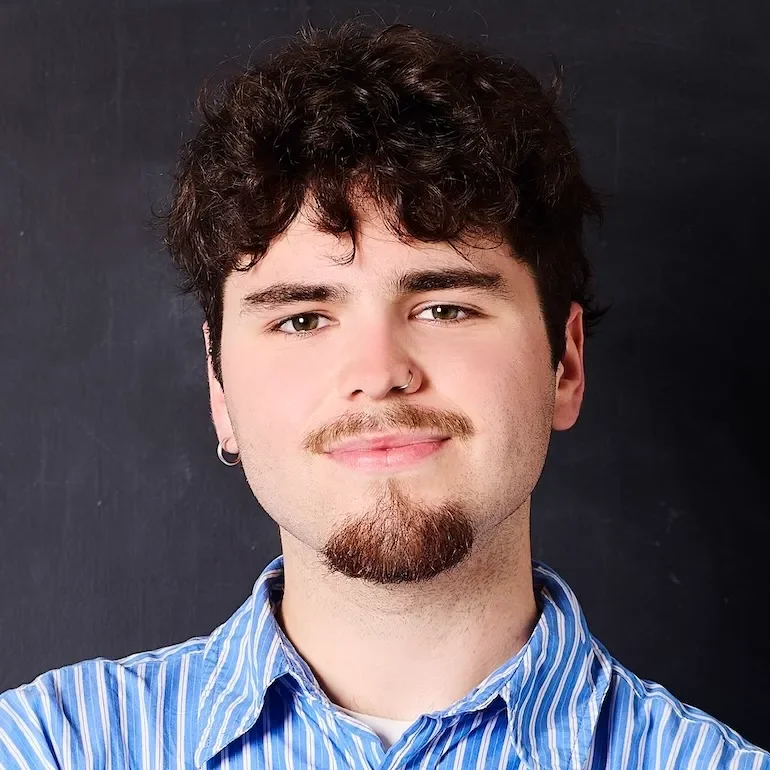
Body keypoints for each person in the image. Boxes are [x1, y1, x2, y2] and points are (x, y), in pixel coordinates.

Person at [1, 18, 767, 770]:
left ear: (564, 364)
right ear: (219, 388)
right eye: (303, 318)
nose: (379, 371)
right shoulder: (50, 748)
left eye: (445, 308)